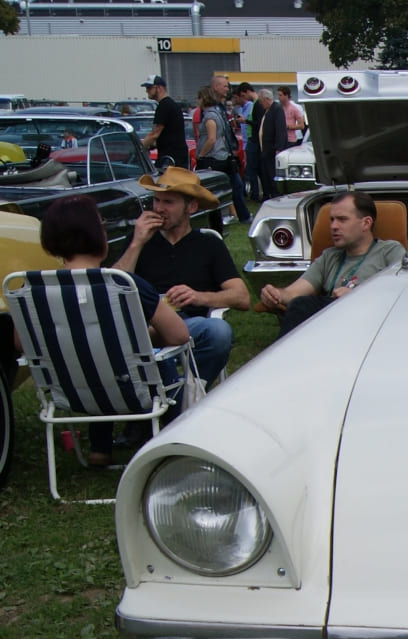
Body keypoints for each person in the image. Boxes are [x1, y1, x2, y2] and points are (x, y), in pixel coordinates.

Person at [37, 195, 190, 468]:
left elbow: (22, 342)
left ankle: (100, 448)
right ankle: (178, 438)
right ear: (97, 234)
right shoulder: (123, 284)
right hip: (132, 392)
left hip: (70, 393)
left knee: (93, 358)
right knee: (149, 358)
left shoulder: (36, 290)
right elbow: (179, 336)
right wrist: (144, 335)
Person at [113, 167, 242, 385]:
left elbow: (241, 297)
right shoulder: (139, 240)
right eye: (156, 201)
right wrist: (137, 243)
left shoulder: (208, 244)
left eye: (168, 202)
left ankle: (187, 391)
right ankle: (172, 394)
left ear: (190, 207)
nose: (159, 209)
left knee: (219, 331)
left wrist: (199, 297)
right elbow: (113, 287)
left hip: (189, 324)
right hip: (146, 324)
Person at [258, 190, 404, 337]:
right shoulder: (329, 256)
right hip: (330, 327)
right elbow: (294, 293)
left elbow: (403, 290)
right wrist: (276, 295)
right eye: (332, 220)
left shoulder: (389, 251)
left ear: (366, 223)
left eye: (342, 219)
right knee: (300, 304)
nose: (334, 226)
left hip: (371, 324)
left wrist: (359, 296)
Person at [197, 81, 249, 222]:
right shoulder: (218, 113)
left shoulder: (210, 117)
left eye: (199, 98)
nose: (198, 101)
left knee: (213, 189)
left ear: (204, 98)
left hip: (214, 157)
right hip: (224, 155)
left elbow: (211, 138)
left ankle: (220, 217)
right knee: (234, 185)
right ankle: (241, 215)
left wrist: (201, 155)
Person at [140, 75, 189, 169]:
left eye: (149, 88)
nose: (147, 91)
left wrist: (139, 149)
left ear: (159, 88)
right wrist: (150, 146)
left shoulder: (164, 106)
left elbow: (154, 134)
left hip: (171, 160)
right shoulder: (169, 104)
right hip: (175, 157)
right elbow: (163, 135)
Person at [255, 88, 287, 200]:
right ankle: (270, 194)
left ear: (267, 99)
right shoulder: (267, 110)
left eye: (261, 101)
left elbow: (280, 129)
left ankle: (275, 195)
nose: (260, 103)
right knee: (267, 174)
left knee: (272, 174)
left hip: (272, 149)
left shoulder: (276, 109)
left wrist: (279, 147)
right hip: (266, 149)